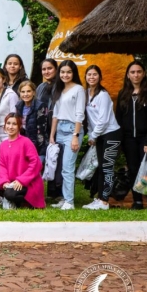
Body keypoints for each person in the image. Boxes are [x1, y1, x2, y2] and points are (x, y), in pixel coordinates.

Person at [116, 60, 147, 210]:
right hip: (129, 140)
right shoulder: (123, 94)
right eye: (133, 72)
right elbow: (119, 119)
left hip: (146, 140)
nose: (136, 75)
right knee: (133, 169)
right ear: (128, 75)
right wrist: (121, 141)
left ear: (144, 74)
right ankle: (138, 201)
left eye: (139, 72)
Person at [83, 65, 122, 211]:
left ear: (99, 77)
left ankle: (105, 201)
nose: (92, 77)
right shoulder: (86, 93)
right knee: (101, 167)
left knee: (107, 167)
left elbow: (103, 119)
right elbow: (89, 118)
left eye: (95, 75)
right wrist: (91, 134)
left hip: (111, 134)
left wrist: (93, 136)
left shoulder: (103, 95)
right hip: (99, 135)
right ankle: (100, 198)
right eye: (89, 75)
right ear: (85, 76)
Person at [49, 60, 85, 211]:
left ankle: (69, 201)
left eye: (68, 72)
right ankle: (64, 198)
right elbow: (55, 115)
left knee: (67, 167)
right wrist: (52, 135)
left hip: (72, 130)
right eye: (62, 72)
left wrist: (75, 135)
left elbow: (79, 114)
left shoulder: (78, 89)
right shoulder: (59, 89)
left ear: (74, 73)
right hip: (60, 130)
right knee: (60, 167)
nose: (65, 75)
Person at [0, 113, 45, 209]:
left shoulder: (26, 142)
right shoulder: (3, 145)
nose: (10, 127)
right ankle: (13, 199)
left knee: (9, 194)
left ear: (19, 127)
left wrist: (21, 180)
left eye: (14, 124)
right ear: (4, 126)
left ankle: (26, 202)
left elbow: (36, 163)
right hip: (11, 182)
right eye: (8, 123)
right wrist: (5, 182)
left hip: (28, 183)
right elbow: (2, 165)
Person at [15, 80, 49, 161]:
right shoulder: (19, 105)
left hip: (37, 145)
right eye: (23, 92)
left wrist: (32, 148)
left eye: (28, 91)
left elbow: (41, 132)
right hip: (23, 143)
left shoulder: (41, 106)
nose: (25, 94)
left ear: (34, 92)